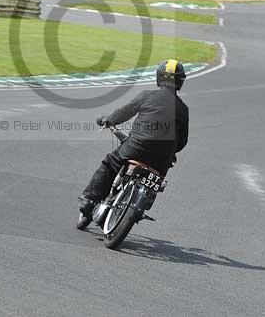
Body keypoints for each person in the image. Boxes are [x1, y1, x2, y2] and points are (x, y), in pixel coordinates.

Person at [79, 59, 189, 219]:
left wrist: (108, 120)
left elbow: (124, 113)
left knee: (110, 163)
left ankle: (89, 200)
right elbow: (183, 141)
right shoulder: (183, 109)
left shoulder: (147, 95)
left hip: (137, 146)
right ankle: (142, 206)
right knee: (158, 178)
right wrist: (170, 150)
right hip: (163, 158)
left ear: (159, 77)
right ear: (180, 81)